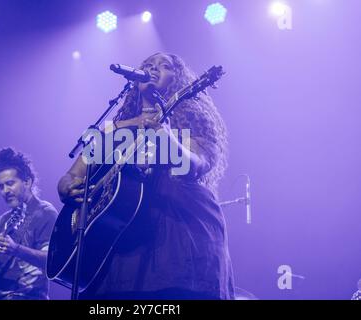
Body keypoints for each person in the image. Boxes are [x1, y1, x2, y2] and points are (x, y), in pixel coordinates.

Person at [57, 52, 235, 299]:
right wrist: (66, 186)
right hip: (116, 245)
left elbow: (198, 163)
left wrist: (167, 136)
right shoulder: (115, 128)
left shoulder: (190, 118)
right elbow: (71, 176)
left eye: (164, 66)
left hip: (176, 235)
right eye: (147, 65)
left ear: (177, 78)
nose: (153, 69)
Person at [0, 147, 58, 300]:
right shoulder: (3, 220)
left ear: (27, 182)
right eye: (1, 186)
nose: (5, 190)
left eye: (10, 183)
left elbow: (51, 260)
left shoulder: (46, 212)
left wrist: (16, 249)